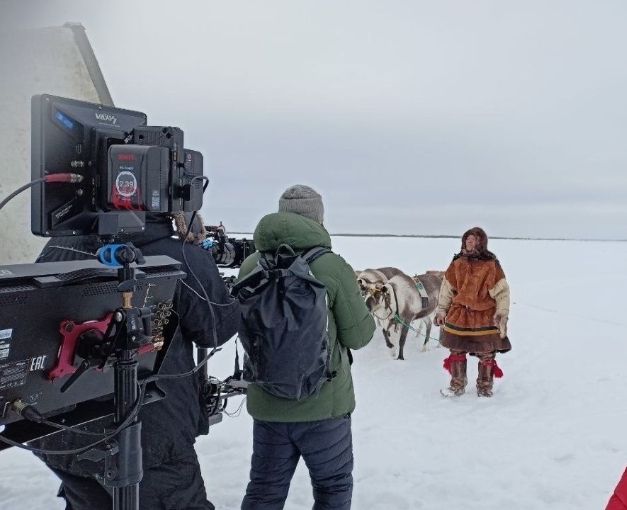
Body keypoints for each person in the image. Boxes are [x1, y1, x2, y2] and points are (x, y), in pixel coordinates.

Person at [32, 212, 240, 510]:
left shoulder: (59, 246)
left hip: (66, 434)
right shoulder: (178, 253)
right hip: (151, 439)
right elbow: (215, 328)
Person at [238, 184, 375, 510]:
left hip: (268, 402)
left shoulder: (251, 265)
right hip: (325, 405)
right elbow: (359, 337)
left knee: (264, 490)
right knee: (333, 486)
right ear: (318, 219)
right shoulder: (332, 267)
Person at [436, 226, 511, 397]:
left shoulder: (491, 265)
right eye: (467, 239)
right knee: (456, 350)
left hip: (484, 316)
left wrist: (502, 314)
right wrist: (442, 311)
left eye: (474, 239)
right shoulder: (457, 263)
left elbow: (502, 292)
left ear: (481, 242)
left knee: (486, 353)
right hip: (459, 314)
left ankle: (485, 387)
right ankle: (457, 385)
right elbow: (447, 290)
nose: (470, 242)